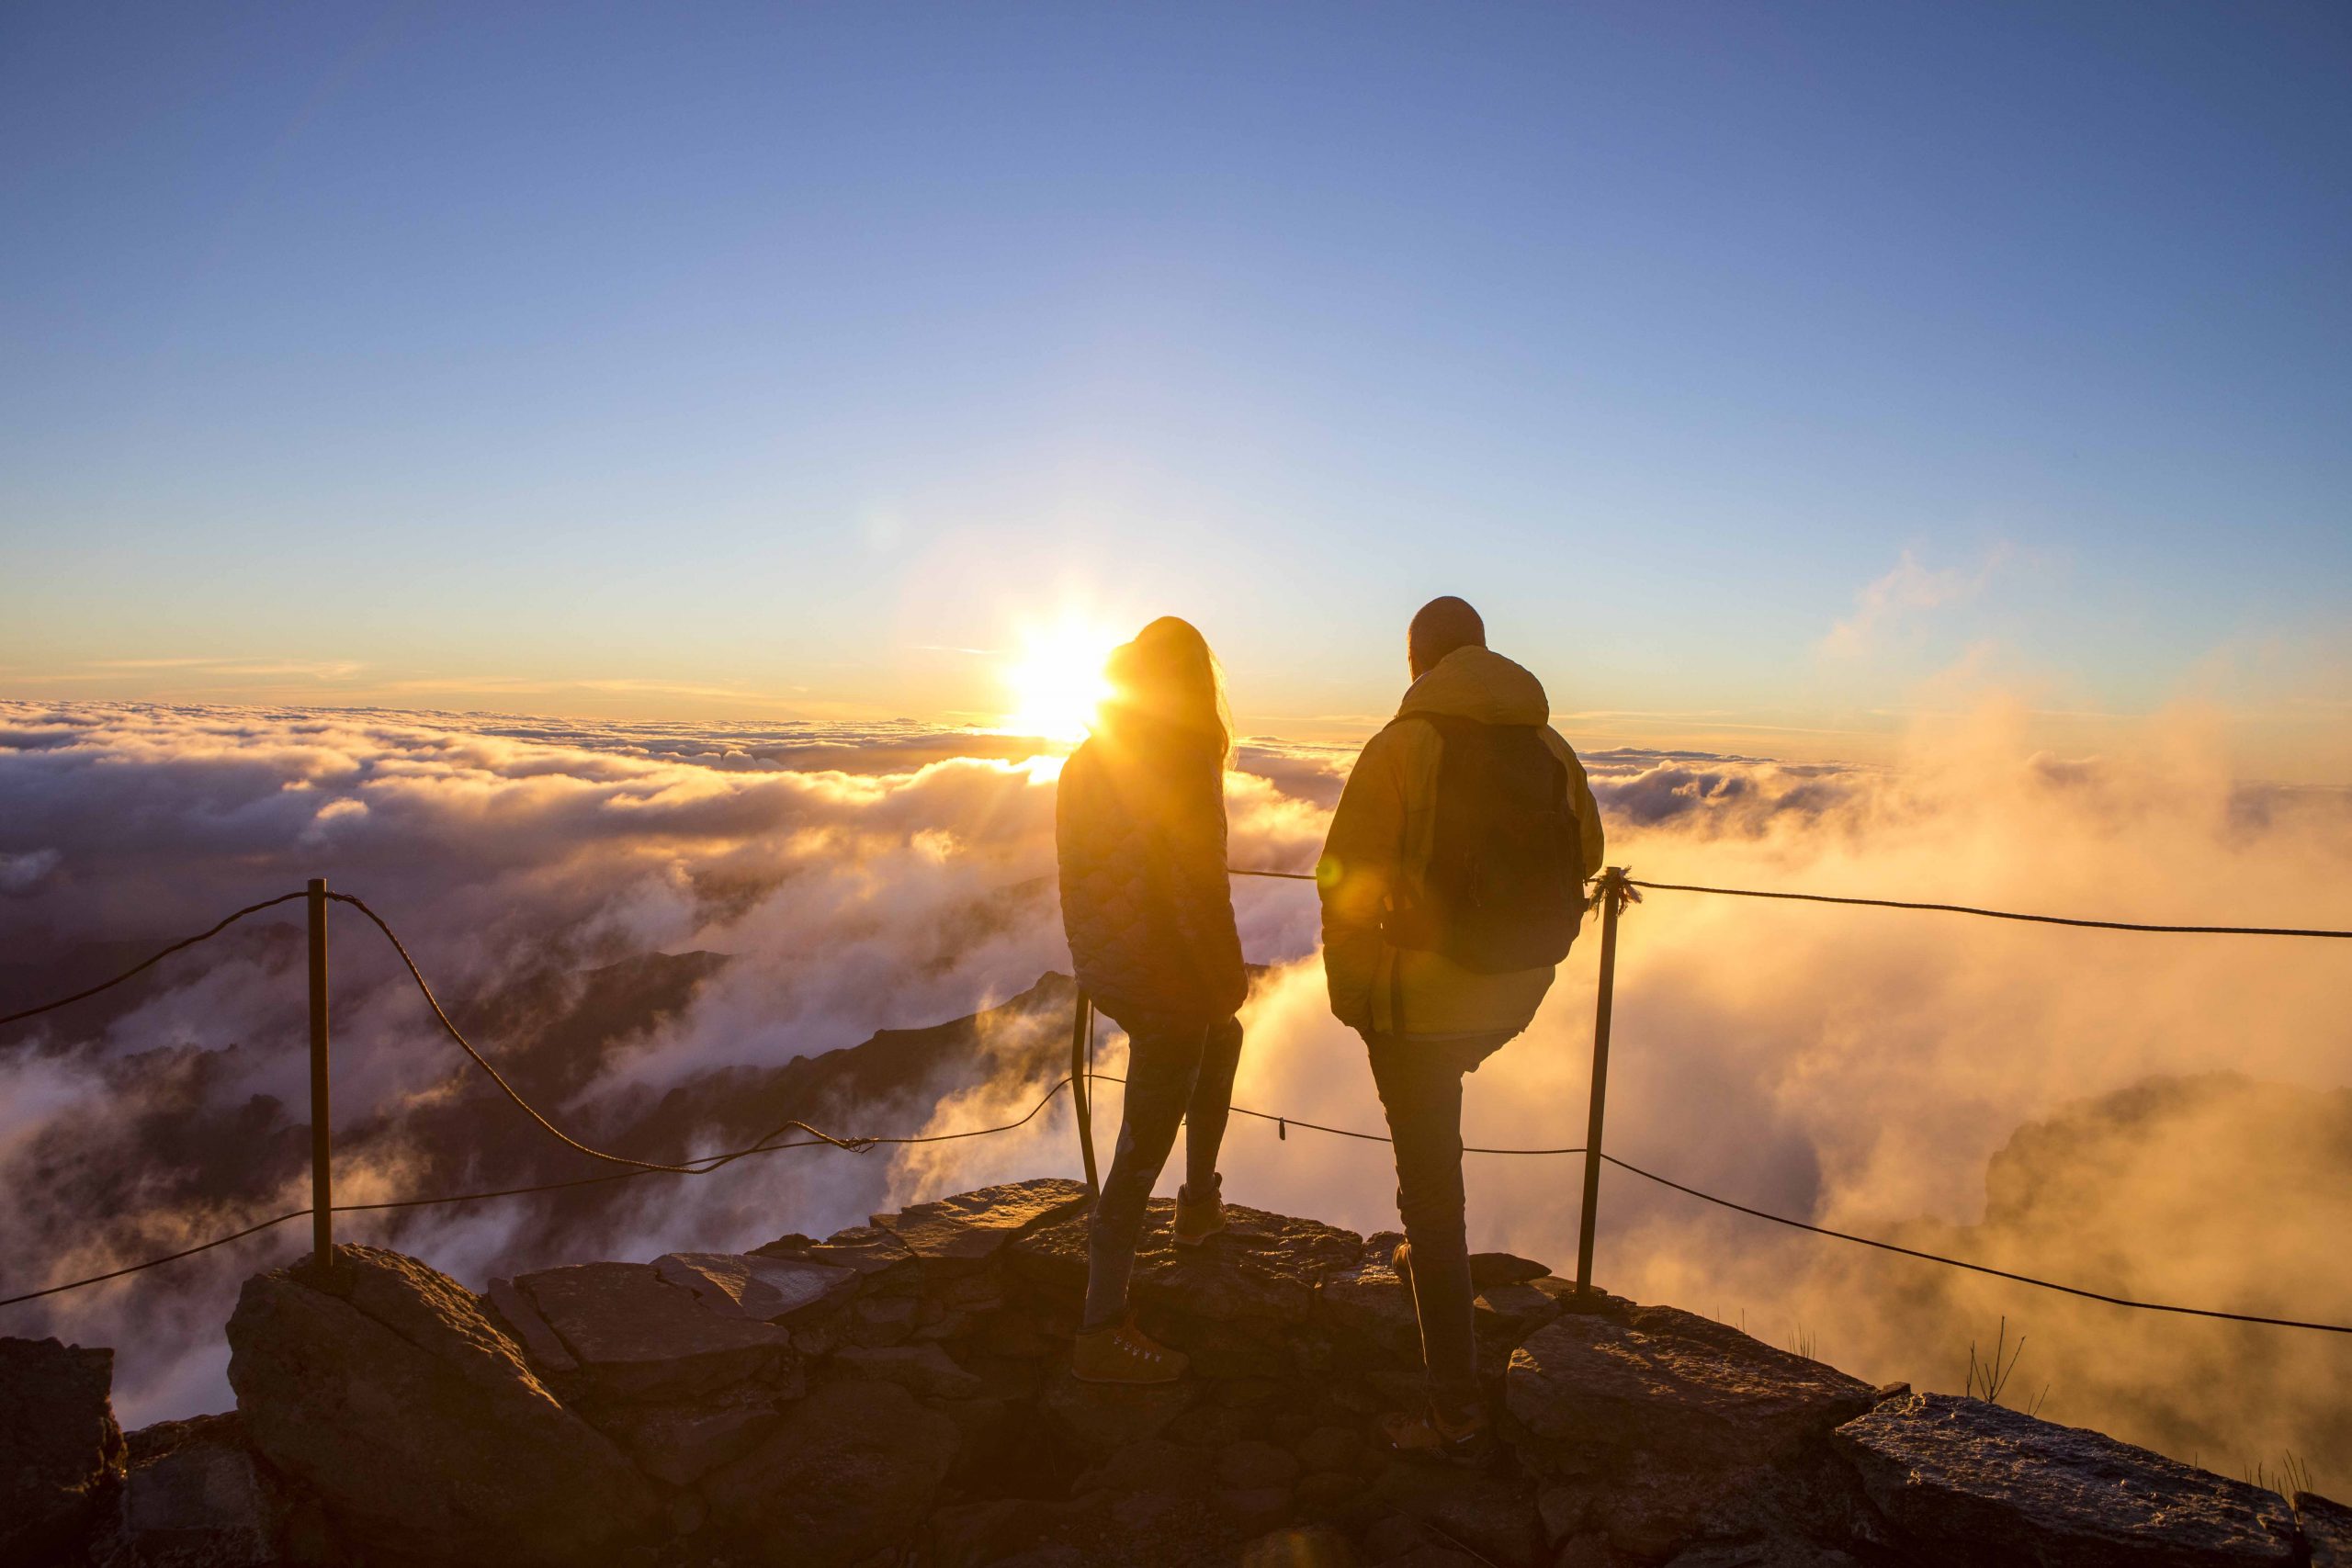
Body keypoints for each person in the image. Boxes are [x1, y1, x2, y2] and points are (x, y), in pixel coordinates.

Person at [1317, 596, 1604, 1458]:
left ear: (1418, 662)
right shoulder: (1549, 746)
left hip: (1420, 1008)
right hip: (1517, 992)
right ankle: (1425, 1253)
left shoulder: (1399, 746)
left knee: (1433, 1184)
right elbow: (1585, 855)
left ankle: (1454, 1409)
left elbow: (1342, 881)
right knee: (1436, 1132)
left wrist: (1352, 998)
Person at [1055, 615, 1249, 1384]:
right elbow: (1197, 883)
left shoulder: (1087, 756)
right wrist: (1225, 974)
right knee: (1143, 1139)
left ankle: (1198, 1204)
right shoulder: (1179, 754)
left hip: (1107, 961)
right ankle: (1101, 1327)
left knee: (1223, 1037)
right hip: (1162, 965)